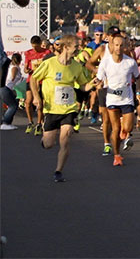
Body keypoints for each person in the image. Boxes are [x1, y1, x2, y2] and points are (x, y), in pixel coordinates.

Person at [29, 34, 93, 182]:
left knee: (65, 139)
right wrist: (36, 97)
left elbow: (83, 85)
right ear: (66, 47)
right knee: (49, 144)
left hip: (68, 109)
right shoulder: (50, 63)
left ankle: (58, 171)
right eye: (76, 46)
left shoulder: (76, 66)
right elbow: (34, 79)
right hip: (51, 109)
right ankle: (45, 142)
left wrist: (93, 84)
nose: (78, 49)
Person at [95, 32, 140, 166]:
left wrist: (138, 92)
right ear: (112, 46)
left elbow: (138, 78)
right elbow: (99, 78)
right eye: (116, 45)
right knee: (115, 128)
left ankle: (124, 132)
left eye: (121, 45)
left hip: (126, 98)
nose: (118, 48)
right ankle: (117, 155)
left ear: (125, 46)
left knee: (128, 127)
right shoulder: (105, 62)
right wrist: (96, 82)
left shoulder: (130, 62)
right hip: (112, 99)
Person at [23, 35, 51, 134]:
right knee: (28, 102)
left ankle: (39, 123)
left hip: (42, 81)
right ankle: (30, 122)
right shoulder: (28, 53)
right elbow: (25, 68)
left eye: (36, 47)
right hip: (31, 80)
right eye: (33, 46)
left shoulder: (46, 52)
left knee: (40, 103)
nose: (34, 49)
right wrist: (27, 70)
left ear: (40, 44)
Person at [1, 53, 25, 129]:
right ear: (20, 60)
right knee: (13, 106)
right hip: (6, 88)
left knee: (13, 104)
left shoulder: (12, 66)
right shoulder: (14, 68)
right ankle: (5, 123)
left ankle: (7, 122)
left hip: (7, 88)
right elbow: (12, 78)